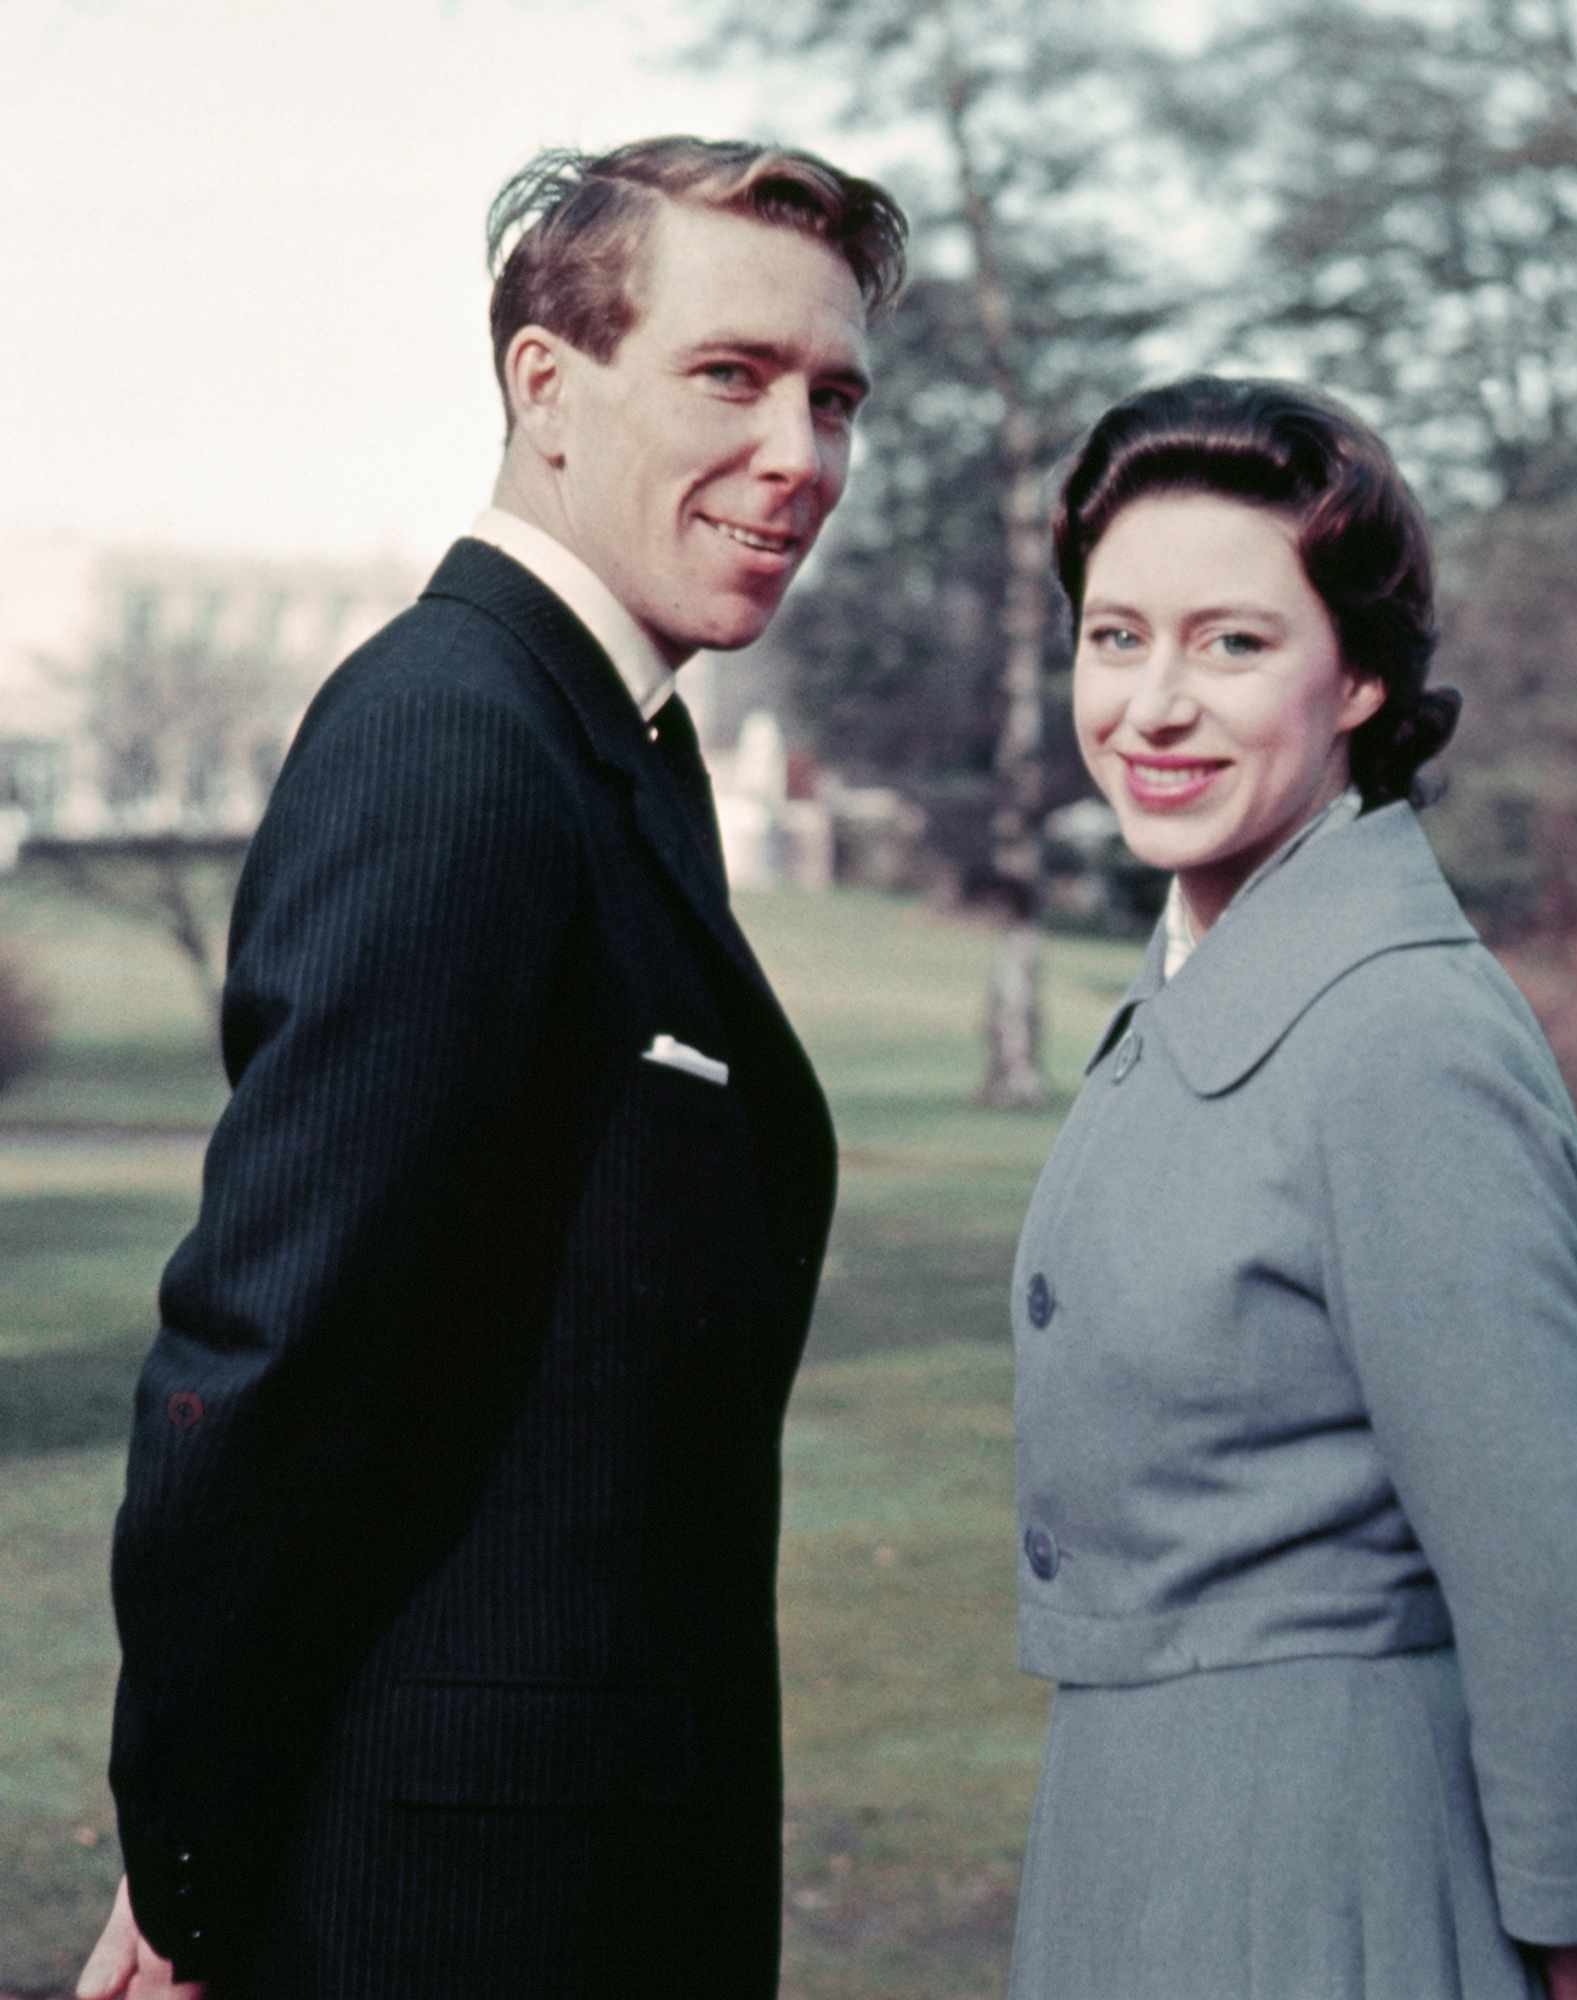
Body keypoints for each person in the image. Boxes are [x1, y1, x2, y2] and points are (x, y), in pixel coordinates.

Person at [76, 135, 907, 2000]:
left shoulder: (599, 739)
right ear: (546, 384)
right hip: (442, 1913)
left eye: (835, 397)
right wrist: (194, 1872)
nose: (803, 456)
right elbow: (266, 1362)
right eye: (733, 375)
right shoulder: (454, 743)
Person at [1007, 376, 1577, 2000]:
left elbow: (1572, 1603)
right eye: (1118, 638)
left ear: (1361, 677)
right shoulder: (1204, 978)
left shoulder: (1398, 1036)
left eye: (1233, 644)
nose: (1155, 705)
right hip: (1138, 1859)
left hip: (1328, 1886)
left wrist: (1563, 1971)